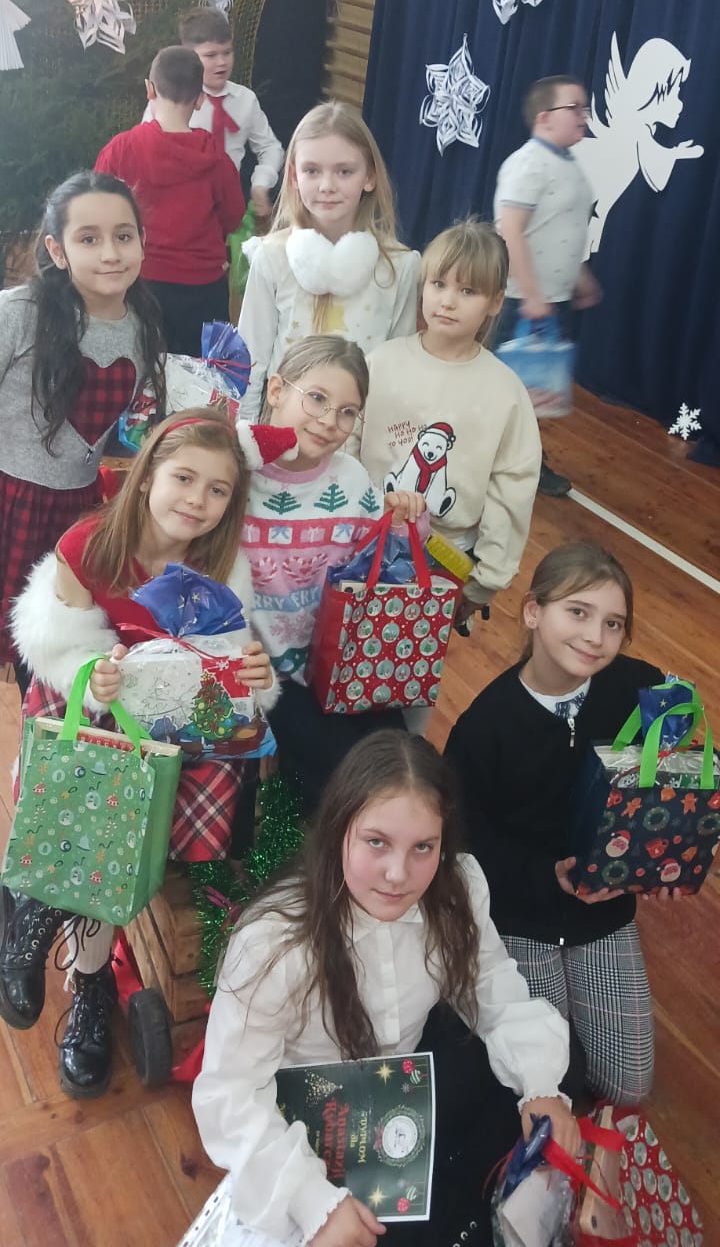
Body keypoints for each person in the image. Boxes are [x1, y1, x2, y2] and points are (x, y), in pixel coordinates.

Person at [0, 407, 289, 1099]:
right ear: (149, 472)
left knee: (128, 816)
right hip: (90, 711)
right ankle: (70, 952)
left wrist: (250, 676)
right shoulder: (89, 544)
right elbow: (57, 649)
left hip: (168, 722)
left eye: (217, 490)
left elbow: (221, 673)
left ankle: (64, 940)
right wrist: (92, 673)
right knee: (106, 797)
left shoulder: (222, 564)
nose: (197, 500)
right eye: (183, 478)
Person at [193, 730, 578, 1247]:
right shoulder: (275, 942)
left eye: (423, 847)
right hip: (309, 1128)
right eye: (377, 842)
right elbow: (232, 1092)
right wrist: (312, 1201)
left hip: (399, 1096)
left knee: (546, 1097)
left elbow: (491, 986)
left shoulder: (456, 888)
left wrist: (541, 1086)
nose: (398, 874)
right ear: (339, 830)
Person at [445, 542, 662, 1106]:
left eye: (613, 623)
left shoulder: (639, 687)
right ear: (533, 612)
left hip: (603, 912)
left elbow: (668, 776)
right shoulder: (483, 727)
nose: (595, 636)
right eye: (578, 612)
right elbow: (464, 846)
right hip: (522, 916)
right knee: (553, 1076)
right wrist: (547, 877)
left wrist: (657, 854)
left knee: (627, 1083)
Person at [243, 334, 425, 809]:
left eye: (347, 412)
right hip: (266, 675)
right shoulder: (239, 471)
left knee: (406, 764)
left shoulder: (350, 477)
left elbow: (381, 565)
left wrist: (404, 522)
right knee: (346, 780)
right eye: (317, 398)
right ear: (276, 390)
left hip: (340, 663)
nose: (329, 421)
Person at [0, 171, 165, 693]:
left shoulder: (143, 326)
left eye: (123, 235)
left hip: (78, 513)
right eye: (88, 239)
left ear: (143, 241)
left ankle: (42, 732)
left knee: (57, 646)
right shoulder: (19, 314)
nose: (110, 253)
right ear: (58, 250)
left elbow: (129, 428)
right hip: (9, 502)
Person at [358, 220, 541, 637]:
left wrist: (485, 581)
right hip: (365, 537)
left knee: (415, 660)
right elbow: (348, 442)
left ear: (496, 302)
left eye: (468, 291)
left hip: (444, 557)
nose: (448, 301)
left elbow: (512, 487)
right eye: (438, 284)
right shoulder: (381, 362)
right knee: (346, 646)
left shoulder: (505, 391)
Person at [237, 102, 420, 421]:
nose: (327, 186)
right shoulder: (272, 256)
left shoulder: (399, 267)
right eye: (312, 170)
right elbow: (249, 360)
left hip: (356, 434)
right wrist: (245, 435)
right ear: (294, 176)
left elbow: (398, 371)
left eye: (344, 171)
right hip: (281, 432)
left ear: (369, 176)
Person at [97, 45, 245, 356]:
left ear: (149, 89)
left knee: (140, 366)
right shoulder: (218, 160)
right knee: (205, 375)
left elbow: (98, 209)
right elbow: (233, 216)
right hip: (204, 288)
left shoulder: (120, 149)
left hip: (139, 283)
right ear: (200, 99)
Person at [493, 77, 601, 498]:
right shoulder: (528, 164)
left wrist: (580, 277)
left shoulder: (568, 163)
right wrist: (532, 295)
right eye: (574, 108)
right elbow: (511, 230)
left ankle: (521, 462)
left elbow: (564, 229)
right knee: (508, 391)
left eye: (584, 108)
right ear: (544, 117)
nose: (582, 116)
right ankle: (503, 463)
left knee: (533, 392)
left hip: (551, 300)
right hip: (521, 301)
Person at [143, 6, 284, 219]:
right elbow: (146, 147)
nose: (222, 62)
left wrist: (260, 184)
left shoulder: (245, 100)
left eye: (227, 52)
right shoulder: (170, 99)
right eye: (210, 55)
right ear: (190, 57)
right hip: (180, 207)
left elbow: (270, 147)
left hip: (230, 207)